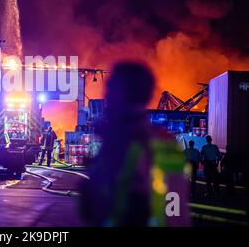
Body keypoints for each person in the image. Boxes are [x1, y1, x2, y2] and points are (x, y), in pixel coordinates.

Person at [80, 62, 190, 226]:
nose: (106, 98)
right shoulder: (166, 142)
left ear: (119, 95)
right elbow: (177, 205)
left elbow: (103, 204)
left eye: (110, 92)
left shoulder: (125, 142)